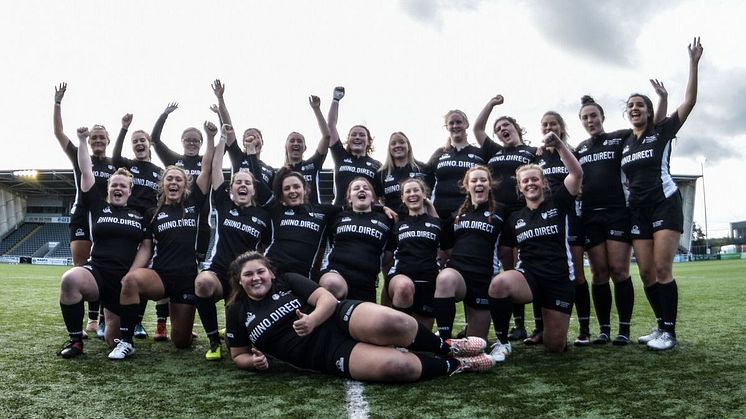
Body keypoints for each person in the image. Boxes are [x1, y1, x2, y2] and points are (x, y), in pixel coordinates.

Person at [225, 252, 497, 381]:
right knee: (397, 367)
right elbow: (238, 354)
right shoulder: (237, 310)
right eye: (247, 275)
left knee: (393, 321)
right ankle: (457, 365)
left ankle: (447, 346)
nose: (255, 278)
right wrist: (253, 361)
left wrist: (311, 320)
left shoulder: (288, 280)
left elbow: (326, 299)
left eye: (260, 271)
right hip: (323, 352)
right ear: (239, 281)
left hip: (335, 317)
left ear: (270, 273)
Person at [621, 37, 703, 350]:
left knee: (662, 269)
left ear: (649, 110)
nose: (634, 109)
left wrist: (693, 65)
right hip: (637, 211)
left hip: (665, 205)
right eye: (630, 106)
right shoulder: (626, 143)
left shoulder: (662, 131)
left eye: (639, 105)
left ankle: (670, 332)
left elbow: (690, 102)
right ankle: (659, 327)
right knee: (645, 273)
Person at [109, 122, 215, 360]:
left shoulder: (194, 204)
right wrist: (131, 273)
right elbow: (146, 247)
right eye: (170, 180)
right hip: (160, 276)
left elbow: (206, 169)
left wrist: (209, 137)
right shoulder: (153, 213)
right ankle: (126, 341)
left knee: (180, 342)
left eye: (179, 179)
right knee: (132, 281)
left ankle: (183, 327)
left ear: (185, 184)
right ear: (163, 184)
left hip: (187, 279)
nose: (174, 183)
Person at [575, 89, 666, 345]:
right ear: (581, 121)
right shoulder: (580, 148)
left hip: (617, 213)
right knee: (599, 273)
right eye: (585, 117)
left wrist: (659, 102)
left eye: (594, 115)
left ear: (602, 116)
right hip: (590, 216)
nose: (590, 120)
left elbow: (652, 127)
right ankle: (604, 329)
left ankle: (623, 329)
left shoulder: (621, 138)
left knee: (619, 270)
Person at [487, 131, 583, 360]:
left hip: (559, 280)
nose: (530, 183)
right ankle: (502, 343)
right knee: (499, 284)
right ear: (520, 188)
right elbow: (505, 251)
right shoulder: (515, 218)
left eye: (534, 179)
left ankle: (551, 329)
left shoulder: (558, 202)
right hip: (529, 277)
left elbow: (577, 174)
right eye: (525, 181)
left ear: (543, 182)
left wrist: (559, 145)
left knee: (554, 347)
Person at [57, 127, 151, 358]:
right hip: (97, 272)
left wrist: (132, 275)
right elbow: (86, 170)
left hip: (124, 280)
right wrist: (80, 139)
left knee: (113, 341)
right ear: (108, 189)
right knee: (70, 279)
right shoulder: (97, 206)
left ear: (130, 190)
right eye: (114, 185)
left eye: (123, 186)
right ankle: (76, 341)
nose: (118, 188)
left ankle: (121, 330)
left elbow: (147, 246)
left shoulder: (140, 215)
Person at [194, 125, 272, 361]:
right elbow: (216, 168)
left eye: (247, 182)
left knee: (240, 339)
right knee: (202, 284)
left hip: (246, 278)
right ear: (230, 189)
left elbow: (266, 249)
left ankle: (239, 332)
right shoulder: (224, 205)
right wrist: (222, 139)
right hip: (219, 272)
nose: (242, 185)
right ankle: (213, 340)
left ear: (253, 189)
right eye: (237, 182)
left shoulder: (263, 216)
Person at [474, 95, 538, 342]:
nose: (502, 131)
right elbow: (478, 128)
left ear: (516, 128)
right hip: (499, 216)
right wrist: (490, 104)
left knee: (528, 267)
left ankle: (539, 325)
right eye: (499, 129)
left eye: (506, 126)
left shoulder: (532, 152)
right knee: (508, 268)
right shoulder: (493, 150)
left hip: (525, 215)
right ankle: (518, 325)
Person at [53, 82, 114, 337]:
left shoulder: (116, 163)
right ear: (89, 141)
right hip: (81, 216)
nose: (98, 140)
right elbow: (59, 133)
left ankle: (102, 319)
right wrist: (57, 103)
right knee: (81, 266)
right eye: (94, 138)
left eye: (102, 137)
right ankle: (88, 320)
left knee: (105, 266)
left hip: (107, 219)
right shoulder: (80, 156)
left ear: (108, 141)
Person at [149, 102, 213, 339]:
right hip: (174, 222)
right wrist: (164, 114)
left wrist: (213, 133)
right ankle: (161, 322)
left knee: (192, 274)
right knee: (168, 266)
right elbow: (154, 138)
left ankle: (183, 320)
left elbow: (219, 152)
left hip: (200, 224)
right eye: (188, 139)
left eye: (197, 140)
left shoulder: (206, 160)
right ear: (182, 141)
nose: (192, 142)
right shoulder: (174, 161)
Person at [530, 111, 590, 346]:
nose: (548, 127)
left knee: (576, 274)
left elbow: (579, 178)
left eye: (553, 123)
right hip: (545, 220)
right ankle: (540, 328)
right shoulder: (538, 156)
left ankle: (585, 329)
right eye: (544, 124)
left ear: (561, 127)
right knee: (539, 273)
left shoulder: (570, 152)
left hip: (569, 217)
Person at [433, 166, 503, 342]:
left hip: (484, 278)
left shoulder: (501, 212)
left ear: (490, 184)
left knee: (476, 343)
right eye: (474, 180)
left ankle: (468, 335)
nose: (479, 183)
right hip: (459, 273)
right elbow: (446, 243)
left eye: (483, 180)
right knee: (444, 278)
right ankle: (444, 340)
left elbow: (508, 247)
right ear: (467, 186)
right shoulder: (458, 214)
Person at [112, 112, 164, 340]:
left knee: (139, 274)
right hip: (126, 225)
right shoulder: (128, 165)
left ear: (149, 144)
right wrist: (124, 129)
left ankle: (138, 322)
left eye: (142, 140)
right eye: (135, 142)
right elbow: (114, 157)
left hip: (147, 228)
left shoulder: (159, 172)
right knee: (118, 270)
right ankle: (107, 318)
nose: (139, 144)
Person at [319, 177, 394, 302]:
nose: (361, 190)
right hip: (336, 274)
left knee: (367, 321)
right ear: (349, 198)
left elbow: (390, 251)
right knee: (333, 285)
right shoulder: (337, 217)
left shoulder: (387, 219)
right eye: (356, 188)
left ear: (373, 198)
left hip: (366, 283)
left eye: (366, 188)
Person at [387, 178, 441, 329]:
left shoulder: (438, 223)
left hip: (428, 280)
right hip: (401, 277)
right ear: (403, 198)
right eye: (408, 191)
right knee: (404, 287)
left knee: (421, 338)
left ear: (424, 194)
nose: (412, 194)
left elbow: (445, 252)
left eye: (416, 190)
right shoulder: (397, 224)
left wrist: (430, 205)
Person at [211, 79, 275, 190]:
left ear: (262, 142)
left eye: (256, 137)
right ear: (244, 143)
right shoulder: (238, 157)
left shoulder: (269, 170)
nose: (252, 139)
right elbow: (228, 126)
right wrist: (220, 99)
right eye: (248, 137)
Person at [327, 87, 382, 206]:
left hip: (365, 215)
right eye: (354, 135)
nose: (357, 137)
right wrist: (335, 99)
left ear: (368, 142)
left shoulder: (376, 165)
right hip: (340, 213)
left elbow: (379, 196)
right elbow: (331, 126)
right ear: (348, 140)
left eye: (362, 135)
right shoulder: (340, 156)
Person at [427, 110, 486, 220]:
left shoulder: (479, 153)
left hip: (470, 212)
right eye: (451, 123)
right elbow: (425, 180)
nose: (455, 126)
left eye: (458, 122)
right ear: (447, 127)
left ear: (466, 124)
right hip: (441, 213)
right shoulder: (439, 153)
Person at [282, 95, 331, 205]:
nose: (296, 143)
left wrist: (316, 109)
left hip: (312, 216)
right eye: (292, 141)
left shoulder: (313, 164)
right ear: (285, 146)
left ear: (305, 148)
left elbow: (327, 136)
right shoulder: (280, 173)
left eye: (299, 141)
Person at [377, 132, 432, 215]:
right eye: (393, 143)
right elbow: (378, 199)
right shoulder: (381, 173)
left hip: (420, 220)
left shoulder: (423, 169)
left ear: (408, 146)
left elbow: (430, 195)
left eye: (402, 142)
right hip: (392, 222)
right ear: (389, 148)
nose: (398, 145)